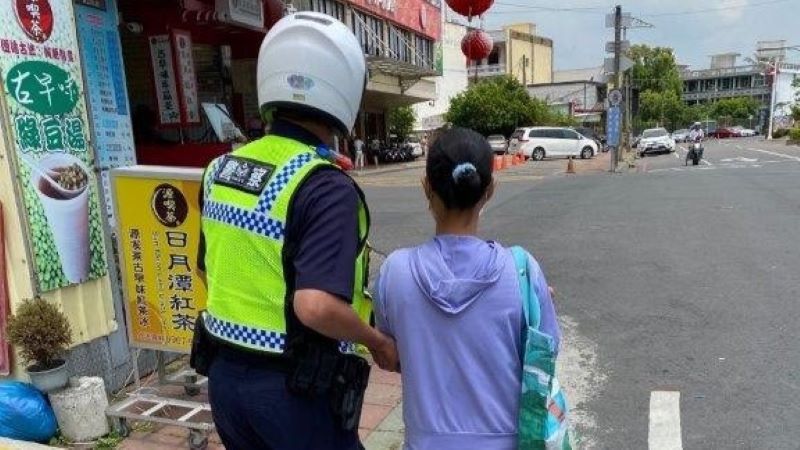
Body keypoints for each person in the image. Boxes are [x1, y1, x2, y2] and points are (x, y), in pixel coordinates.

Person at [195, 13, 398, 450]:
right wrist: (377, 341)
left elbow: (209, 267)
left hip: (226, 383)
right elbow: (316, 305)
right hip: (294, 393)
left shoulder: (220, 170)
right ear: (344, 87)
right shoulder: (324, 186)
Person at [373, 128, 561, 450]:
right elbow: (547, 352)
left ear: (426, 186)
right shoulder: (522, 272)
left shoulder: (394, 272)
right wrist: (531, 301)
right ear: (490, 189)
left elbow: (393, 355)